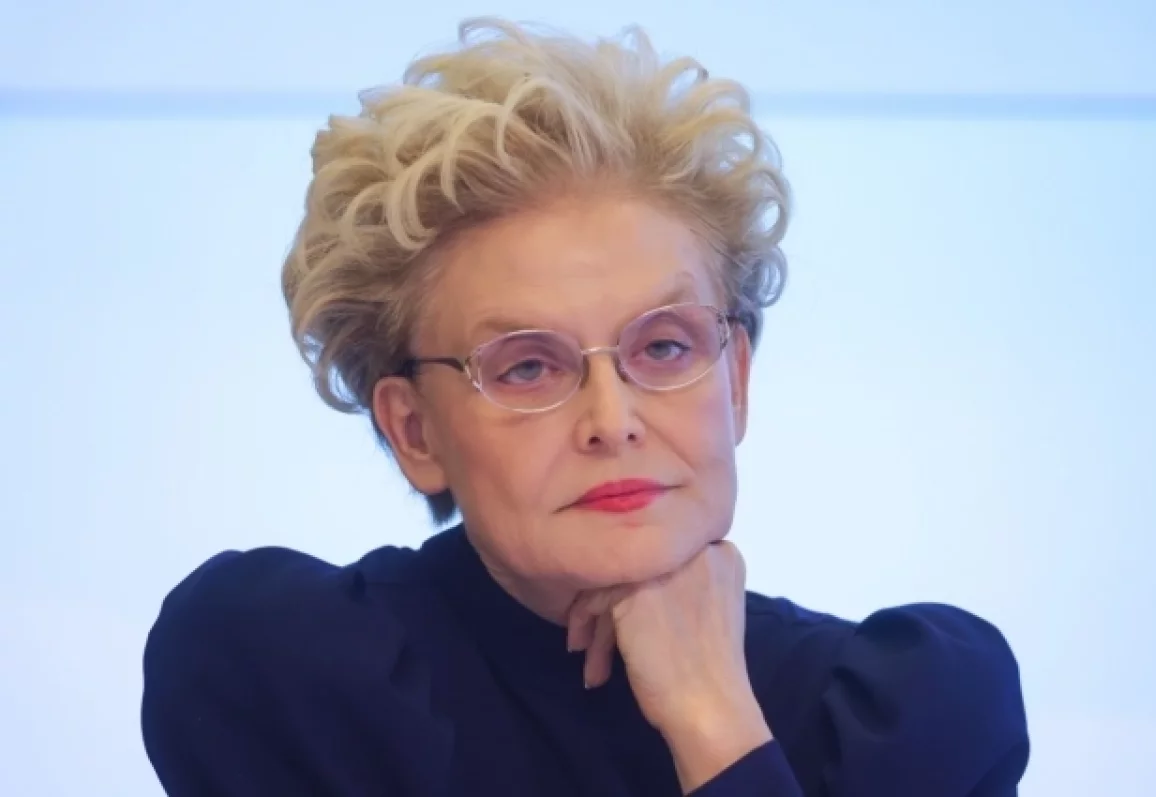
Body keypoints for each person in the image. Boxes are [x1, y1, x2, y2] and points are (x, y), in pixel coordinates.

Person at [140, 17, 1029, 797]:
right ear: (415, 431)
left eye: (664, 347)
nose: (613, 418)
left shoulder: (915, 713)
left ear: (736, 380)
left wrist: (713, 720)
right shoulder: (284, 678)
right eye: (528, 367)